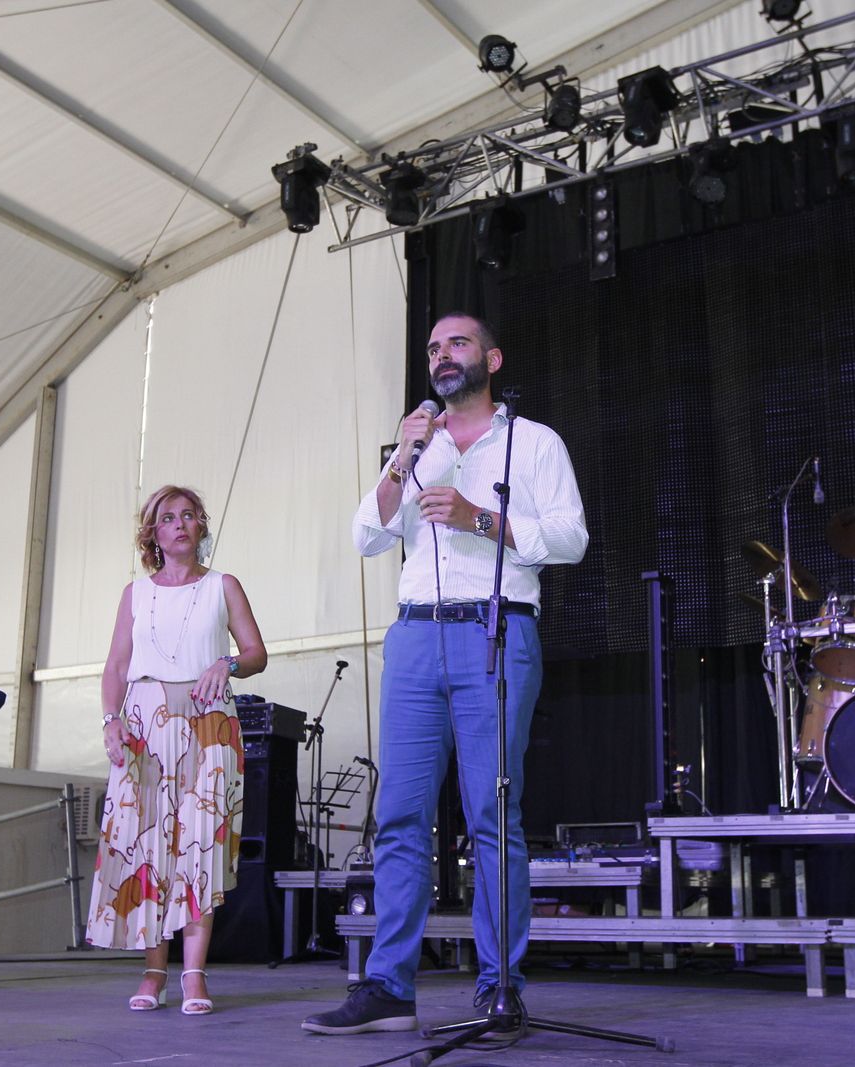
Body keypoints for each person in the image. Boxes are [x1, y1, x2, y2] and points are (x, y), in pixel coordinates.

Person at [304, 313, 587, 1035]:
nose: (441, 354)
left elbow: (570, 538)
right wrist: (403, 455)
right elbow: (368, 534)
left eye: (457, 343)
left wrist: (477, 518)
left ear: (492, 358)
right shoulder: (416, 447)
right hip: (414, 637)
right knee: (400, 816)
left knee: (493, 814)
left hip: (495, 629)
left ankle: (500, 987)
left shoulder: (534, 442)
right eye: (433, 347)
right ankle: (388, 989)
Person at [86, 485, 267, 1015]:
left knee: (200, 844)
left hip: (209, 723)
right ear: (153, 534)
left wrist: (227, 664)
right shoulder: (135, 594)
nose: (180, 524)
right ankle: (153, 972)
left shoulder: (222, 585)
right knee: (148, 845)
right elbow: (116, 666)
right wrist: (111, 721)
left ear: (200, 526)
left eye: (189, 515)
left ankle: (193, 974)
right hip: (145, 724)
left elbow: (255, 653)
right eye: (168, 517)